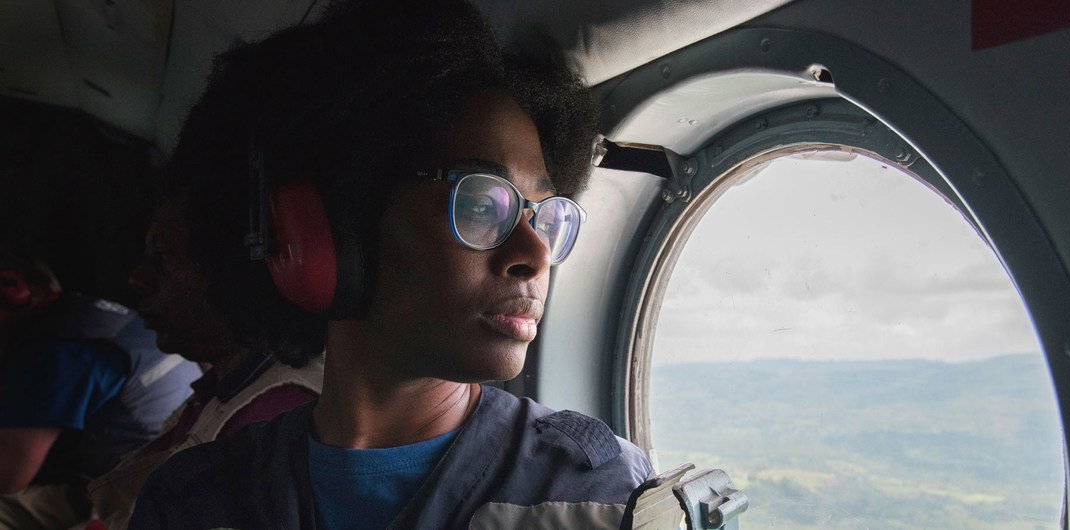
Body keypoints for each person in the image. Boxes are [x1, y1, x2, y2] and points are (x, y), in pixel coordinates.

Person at [129, 1, 654, 528]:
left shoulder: (603, 498)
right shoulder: (190, 502)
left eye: (543, 214)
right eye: (480, 205)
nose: (535, 254)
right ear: (330, 227)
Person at [85, 188, 327, 529]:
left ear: (236, 273)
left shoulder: (270, 414)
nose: (137, 279)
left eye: (163, 260)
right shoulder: (228, 386)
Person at [0, 251, 201, 530]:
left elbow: (10, 477)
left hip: (122, 497)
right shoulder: (96, 316)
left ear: (13, 290)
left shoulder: (52, 353)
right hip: (174, 475)